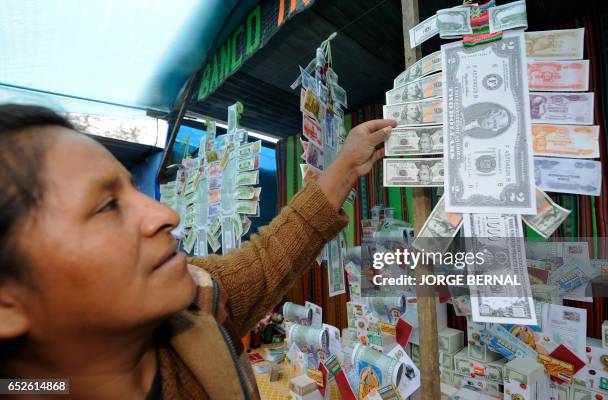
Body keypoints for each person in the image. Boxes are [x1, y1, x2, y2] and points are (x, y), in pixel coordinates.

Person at [0, 104, 396, 399]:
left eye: (135, 191)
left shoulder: (201, 301)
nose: (165, 214)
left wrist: (346, 164)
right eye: (106, 206)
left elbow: (268, 258)